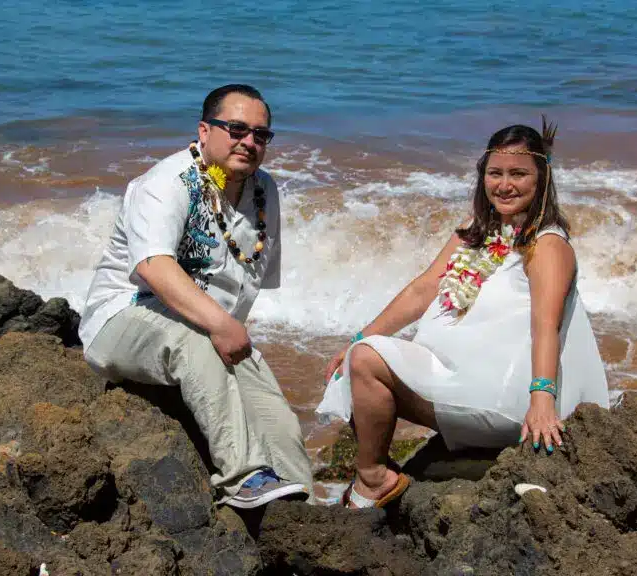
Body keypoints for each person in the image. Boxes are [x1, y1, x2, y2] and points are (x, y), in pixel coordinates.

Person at [316, 119, 609, 509]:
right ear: (482, 176)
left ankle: (373, 479)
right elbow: (424, 288)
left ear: (542, 177)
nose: (504, 185)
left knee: (367, 363)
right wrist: (354, 342)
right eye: (495, 173)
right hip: (468, 384)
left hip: (505, 403)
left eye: (519, 174)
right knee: (360, 357)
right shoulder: (478, 229)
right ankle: (376, 472)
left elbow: (546, 324)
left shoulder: (547, 244)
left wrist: (542, 400)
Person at [79, 84, 313, 509]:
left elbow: (247, 283)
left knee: (273, 410)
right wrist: (220, 326)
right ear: (204, 131)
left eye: (261, 135)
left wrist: (233, 341)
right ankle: (242, 480)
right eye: (237, 128)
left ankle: (300, 503)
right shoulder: (167, 182)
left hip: (205, 328)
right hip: (122, 318)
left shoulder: (265, 192)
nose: (249, 141)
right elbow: (153, 265)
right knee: (196, 343)